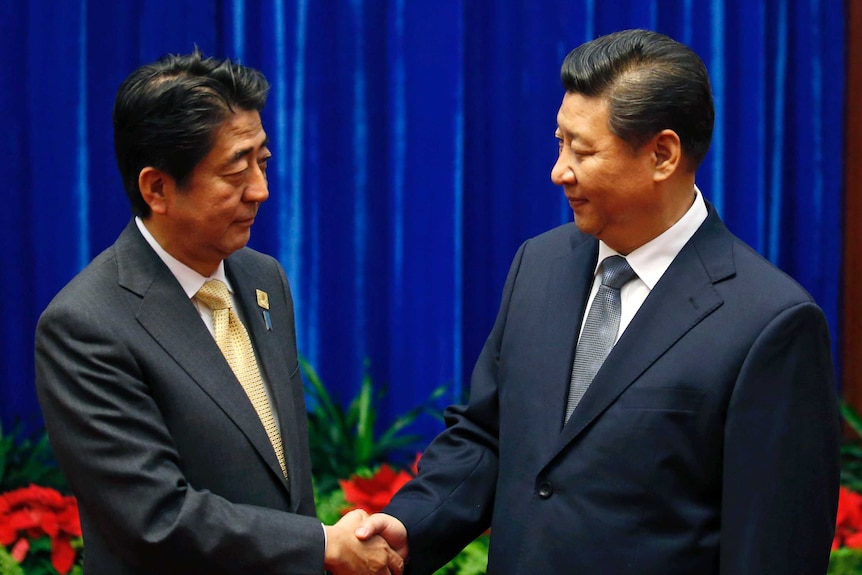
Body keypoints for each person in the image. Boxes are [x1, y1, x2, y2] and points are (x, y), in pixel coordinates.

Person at [356, 28, 841, 574]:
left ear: (662, 154)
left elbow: (773, 548)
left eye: (581, 150)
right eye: (559, 141)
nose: (558, 170)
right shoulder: (538, 266)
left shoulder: (769, 322)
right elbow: (489, 436)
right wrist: (406, 528)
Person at [34, 49, 403, 575]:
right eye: (236, 171)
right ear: (157, 188)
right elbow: (155, 518)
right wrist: (319, 545)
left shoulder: (262, 278)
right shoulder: (86, 325)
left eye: (263, 161)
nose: (261, 190)